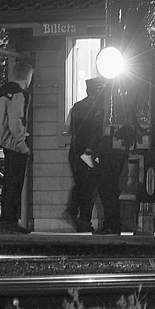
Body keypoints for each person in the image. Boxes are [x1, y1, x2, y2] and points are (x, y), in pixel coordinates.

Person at [0, 59, 33, 234]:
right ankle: (10, 222)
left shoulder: (5, 93)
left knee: (9, 184)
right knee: (15, 184)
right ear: (27, 76)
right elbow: (16, 121)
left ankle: (7, 222)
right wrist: (23, 145)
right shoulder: (18, 94)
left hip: (5, 142)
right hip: (15, 144)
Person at [66, 76, 108, 232]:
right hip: (89, 153)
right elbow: (99, 132)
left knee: (80, 182)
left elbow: (69, 127)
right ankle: (84, 219)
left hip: (75, 152)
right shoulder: (100, 109)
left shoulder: (76, 107)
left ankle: (73, 209)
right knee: (91, 185)